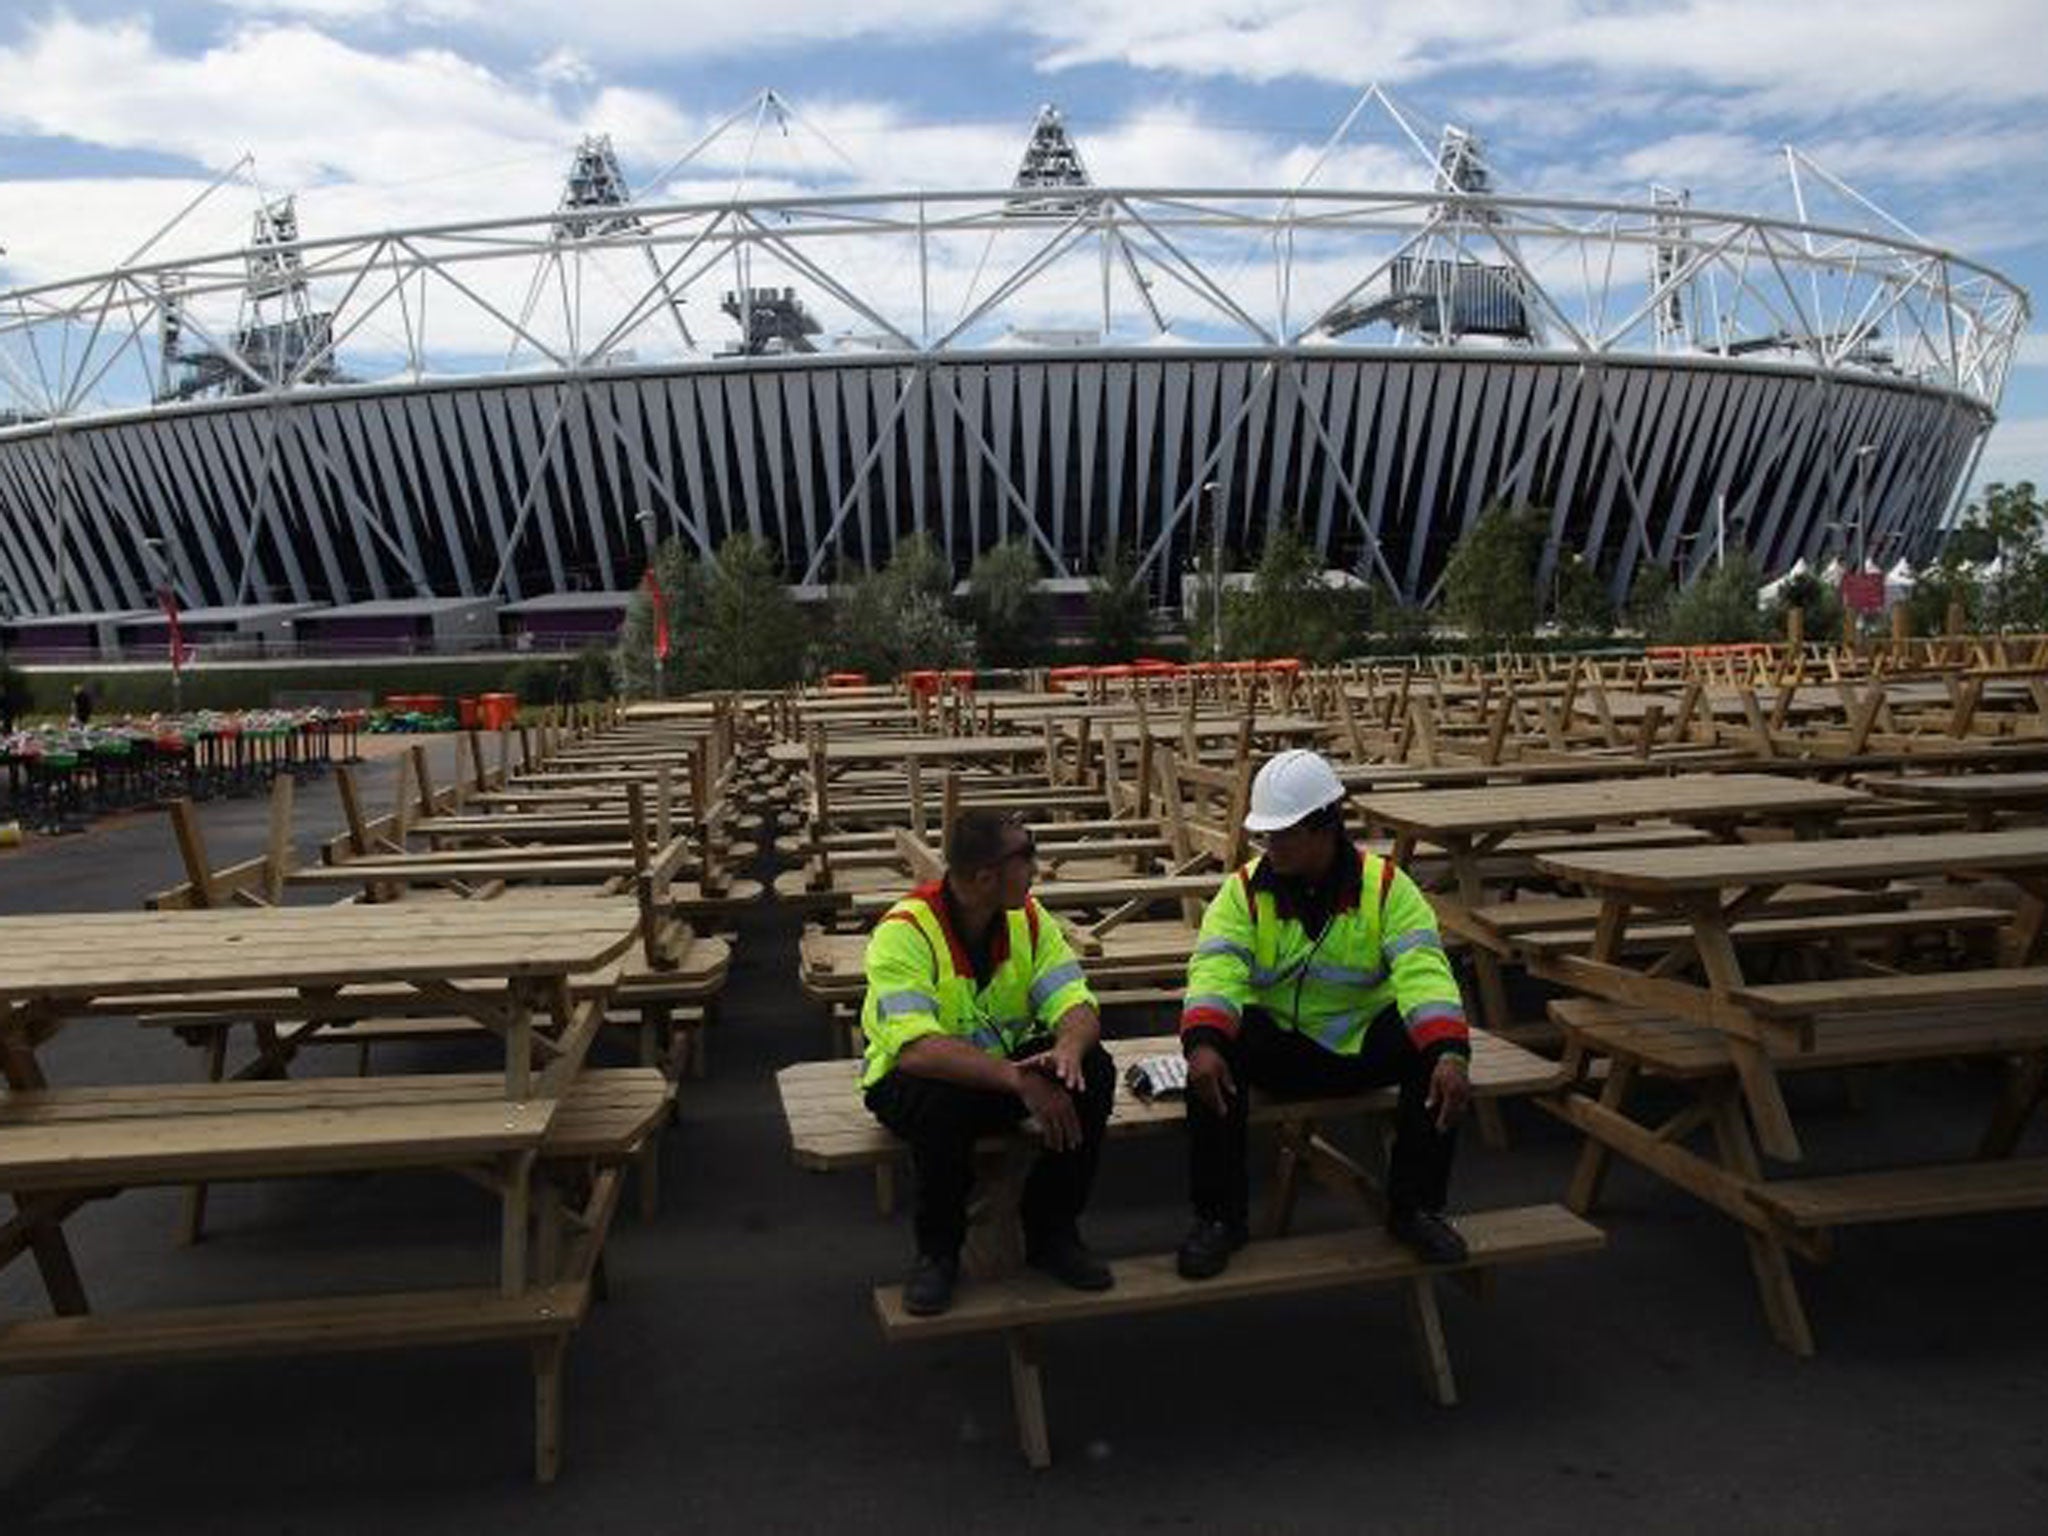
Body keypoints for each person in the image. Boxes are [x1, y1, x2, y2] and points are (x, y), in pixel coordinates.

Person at [1176, 748, 1473, 1279]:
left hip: (1360, 1046)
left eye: (1282, 834)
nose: (1270, 846)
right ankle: (1220, 1219)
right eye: (1265, 835)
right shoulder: (1242, 892)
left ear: (1325, 828)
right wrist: (1202, 1043)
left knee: (1435, 1062)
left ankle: (1417, 1209)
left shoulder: (1386, 888)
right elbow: (1215, 971)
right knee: (1212, 1064)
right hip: (1281, 1050)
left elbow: (1423, 970)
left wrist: (1449, 1048)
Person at [861, 807, 1116, 1316]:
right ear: (984, 876)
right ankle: (938, 1253)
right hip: (916, 1079)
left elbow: (1076, 1003)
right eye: (1026, 857)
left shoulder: (1028, 917)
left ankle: (1053, 1232)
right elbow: (916, 1049)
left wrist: (1065, 1053)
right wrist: (1018, 1080)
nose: (1036, 868)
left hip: (998, 1075)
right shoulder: (905, 930)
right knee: (941, 1105)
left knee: (1094, 1070)